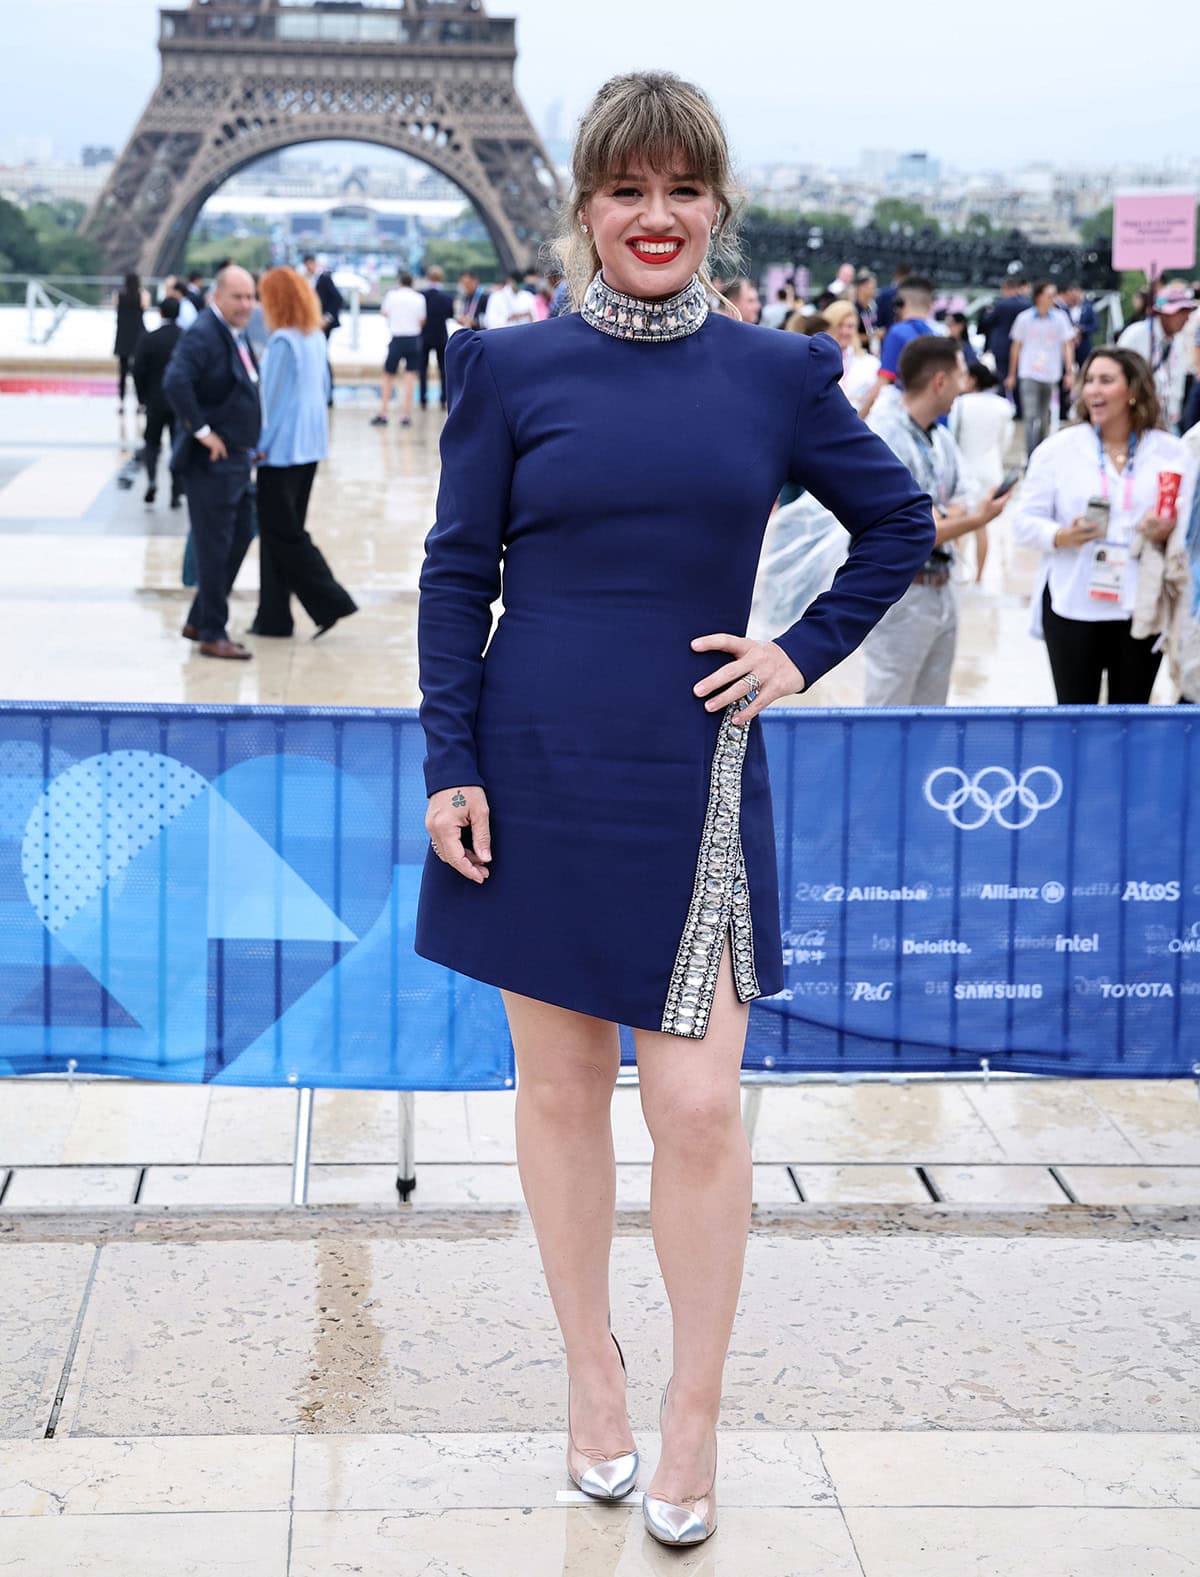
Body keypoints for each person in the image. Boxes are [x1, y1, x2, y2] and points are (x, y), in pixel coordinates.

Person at [416, 69, 934, 1550]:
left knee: (699, 1106)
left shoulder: (777, 373)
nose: (657, 216)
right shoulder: (509, 368)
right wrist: (451, 758)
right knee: (563, 1092)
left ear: (717, 207)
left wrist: (798, 653)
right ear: (585, 203)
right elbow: (459, 574)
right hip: (530, 767)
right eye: (629, 189)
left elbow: (895, 522)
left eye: (683, 191)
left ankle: (694, 1404)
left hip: (695, 772)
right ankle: (594, 1372)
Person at [1010, 345, 1195, 703]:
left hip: (1141, 606)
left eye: (1106, 380)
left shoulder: (1171, 452)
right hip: (1073, 603)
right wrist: (1062, 535)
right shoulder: (1058, 450)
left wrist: (1168, 530)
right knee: (1075, 719)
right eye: (1089, 380)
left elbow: (1190, 528)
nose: (1093, 389)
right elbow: (1022, 523)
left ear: (1134, 391)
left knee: (1131, 717)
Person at [860, 336, 1006, 704]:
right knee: (886, 712)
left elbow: (961, 498)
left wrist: (942, 517)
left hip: (941, 588)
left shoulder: (939, 437)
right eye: (960, 375)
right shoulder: (887, 436)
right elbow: (909, 531)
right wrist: (969, 520)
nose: (965, 385)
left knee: (930, 713)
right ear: (940, 381)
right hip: (900, 595)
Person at [249, 268, 357, 641]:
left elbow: (272, 404)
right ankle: (273, 617)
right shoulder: (313, 338)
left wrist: (257, 447)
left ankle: (331, 600)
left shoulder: (282, 342)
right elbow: (323, 390)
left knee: (284, 534)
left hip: (280, 452)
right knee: (280, 533)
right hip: (309, 448)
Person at [163, 264, 262, 661]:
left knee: (240, 534)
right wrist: (203, 431)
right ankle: (212, 632)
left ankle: (200, 617)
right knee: (215, 547)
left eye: (250, 296)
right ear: (217, 296)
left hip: (236, 462)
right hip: (211, 466)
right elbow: (175, 381)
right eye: (237, 296)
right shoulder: (205, 333)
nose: (245, 304)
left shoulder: (231, 333)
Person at [949, 363, 1014, 583]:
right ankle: (979, 576)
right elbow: (1005, 440)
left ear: (974, 379)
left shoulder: (960, 403)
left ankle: (956, 572)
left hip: (964, 468)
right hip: (991, 468)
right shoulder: (1003, 406)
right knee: (981, 525)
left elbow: (953, 437)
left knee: (955, 524)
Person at [1007, 280, 1076, 457]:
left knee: (1044, 416)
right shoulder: (1024, 318)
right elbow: (1016, 347)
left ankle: (1040, 453)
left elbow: (1067, 345)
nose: (1053, 299)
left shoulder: (1060, 318)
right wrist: (1012, 374)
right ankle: (1031, 454)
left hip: (1050, 373)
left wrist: (1069, 371)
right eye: (1049, 295)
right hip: (1028, 372)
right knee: (1030, 416)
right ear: (1039, 297)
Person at [857, 274, 939, 420]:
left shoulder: (898, 332)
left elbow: (883, 381)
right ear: (929, 304)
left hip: (905, 415)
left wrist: (860, 417)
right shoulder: (936, 335)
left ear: (900, 303)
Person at [1118, 281, 1197, 432]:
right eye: (1181, 312)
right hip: (1135, 416)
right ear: (1165, 314)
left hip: (1164, 419)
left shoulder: (1177, 341)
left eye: (1187, 312)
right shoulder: (1136, 335)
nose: (1186, 318)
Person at [132, 294, 183, 508]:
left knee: (152, 444)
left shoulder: (149, 339)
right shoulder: (186, 337)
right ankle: (175, 490)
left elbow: (138, 371)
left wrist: (142, 397)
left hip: (154, 401)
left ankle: (152, 481)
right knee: (177, 446)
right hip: (179, 402)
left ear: (160, 312)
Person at [374, 270, 426, 428]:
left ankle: (383, 413)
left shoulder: (392, 296)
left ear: (400, 282)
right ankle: (405, 415)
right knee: (410, 378)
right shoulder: (419, 298)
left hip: (397, 338)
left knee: (388, 376)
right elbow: (422, 320)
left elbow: (384, 313)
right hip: (413, 339)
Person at [821, 299, 880, 408]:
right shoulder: (816, 361)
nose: (845, 332)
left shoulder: (871, 363)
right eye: (839, 326)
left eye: (850, 326)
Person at [978, 274, 1029, 388]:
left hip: (1002, 348)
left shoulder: (1001, 305)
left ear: (1007, 288)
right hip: (1023, 348)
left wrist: (987, 312)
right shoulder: (1027, 305)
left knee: (1002, 380)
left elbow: (987, 321)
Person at [418, 264, 455, 409]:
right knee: (443, 369)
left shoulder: (421, 295)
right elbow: (450, 315)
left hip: (424, 335)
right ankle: (443, 399)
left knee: (423, 369)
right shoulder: (447, 297)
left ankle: (423, 399)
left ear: (428, 278)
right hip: (441, 335)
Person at [113, 272, 147, 411]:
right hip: (138, 336)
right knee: (138, 372)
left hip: (123, 336)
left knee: (122, 372)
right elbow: (145, 307)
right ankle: (140, 402)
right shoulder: (142, 295)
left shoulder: (118, 295)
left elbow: (115, 309)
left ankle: (121, 402)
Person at [874, 260, 912, 334]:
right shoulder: (887, 294)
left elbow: (878, 320)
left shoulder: (885, 293)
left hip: (887, 334)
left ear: (896, 274)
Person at [853, 268, 877, 348]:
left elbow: (870, 329)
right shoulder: (854, 309)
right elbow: (852, 337)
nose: (874, 289)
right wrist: (875, 335)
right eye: (872, 286)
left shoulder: (870, 308)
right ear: (861, 287)